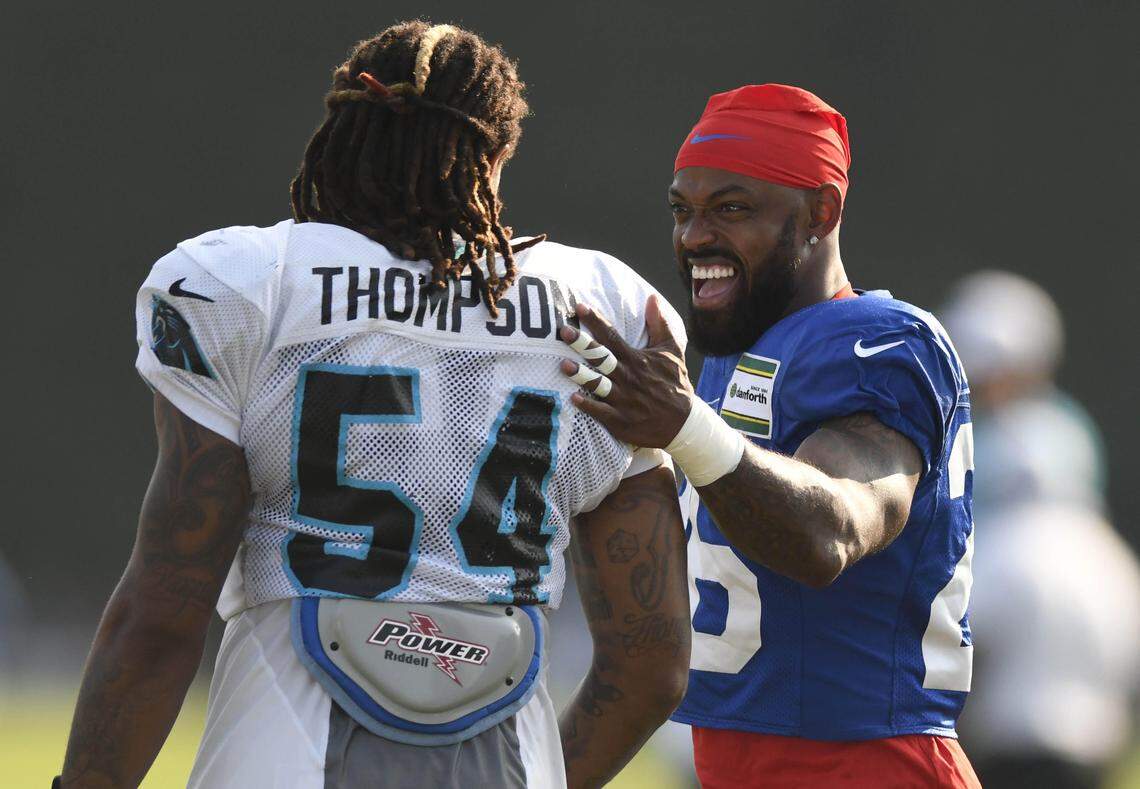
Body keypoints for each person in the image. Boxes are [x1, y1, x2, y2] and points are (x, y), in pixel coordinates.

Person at [57, 21, 691, 789]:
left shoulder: (251, 285)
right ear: (493, 158)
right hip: (505, 747)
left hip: (279, 744)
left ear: (342, 131)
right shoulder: (602, 311)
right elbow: (650, 668)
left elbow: (162, 616)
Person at [558, 84, 980, 787]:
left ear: (822, 212)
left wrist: (686, 427)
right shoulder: (733, 354)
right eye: (682, 210)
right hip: (743, 762)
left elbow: (833, 531)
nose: (694, 237)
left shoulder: (877, 343)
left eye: (731, 209)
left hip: (869, 767)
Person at [942, 271, 1140, 789]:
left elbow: (968, 642)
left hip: (1012, 746)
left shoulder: (1012, 541)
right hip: (1094, 743)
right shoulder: (1105, 554)